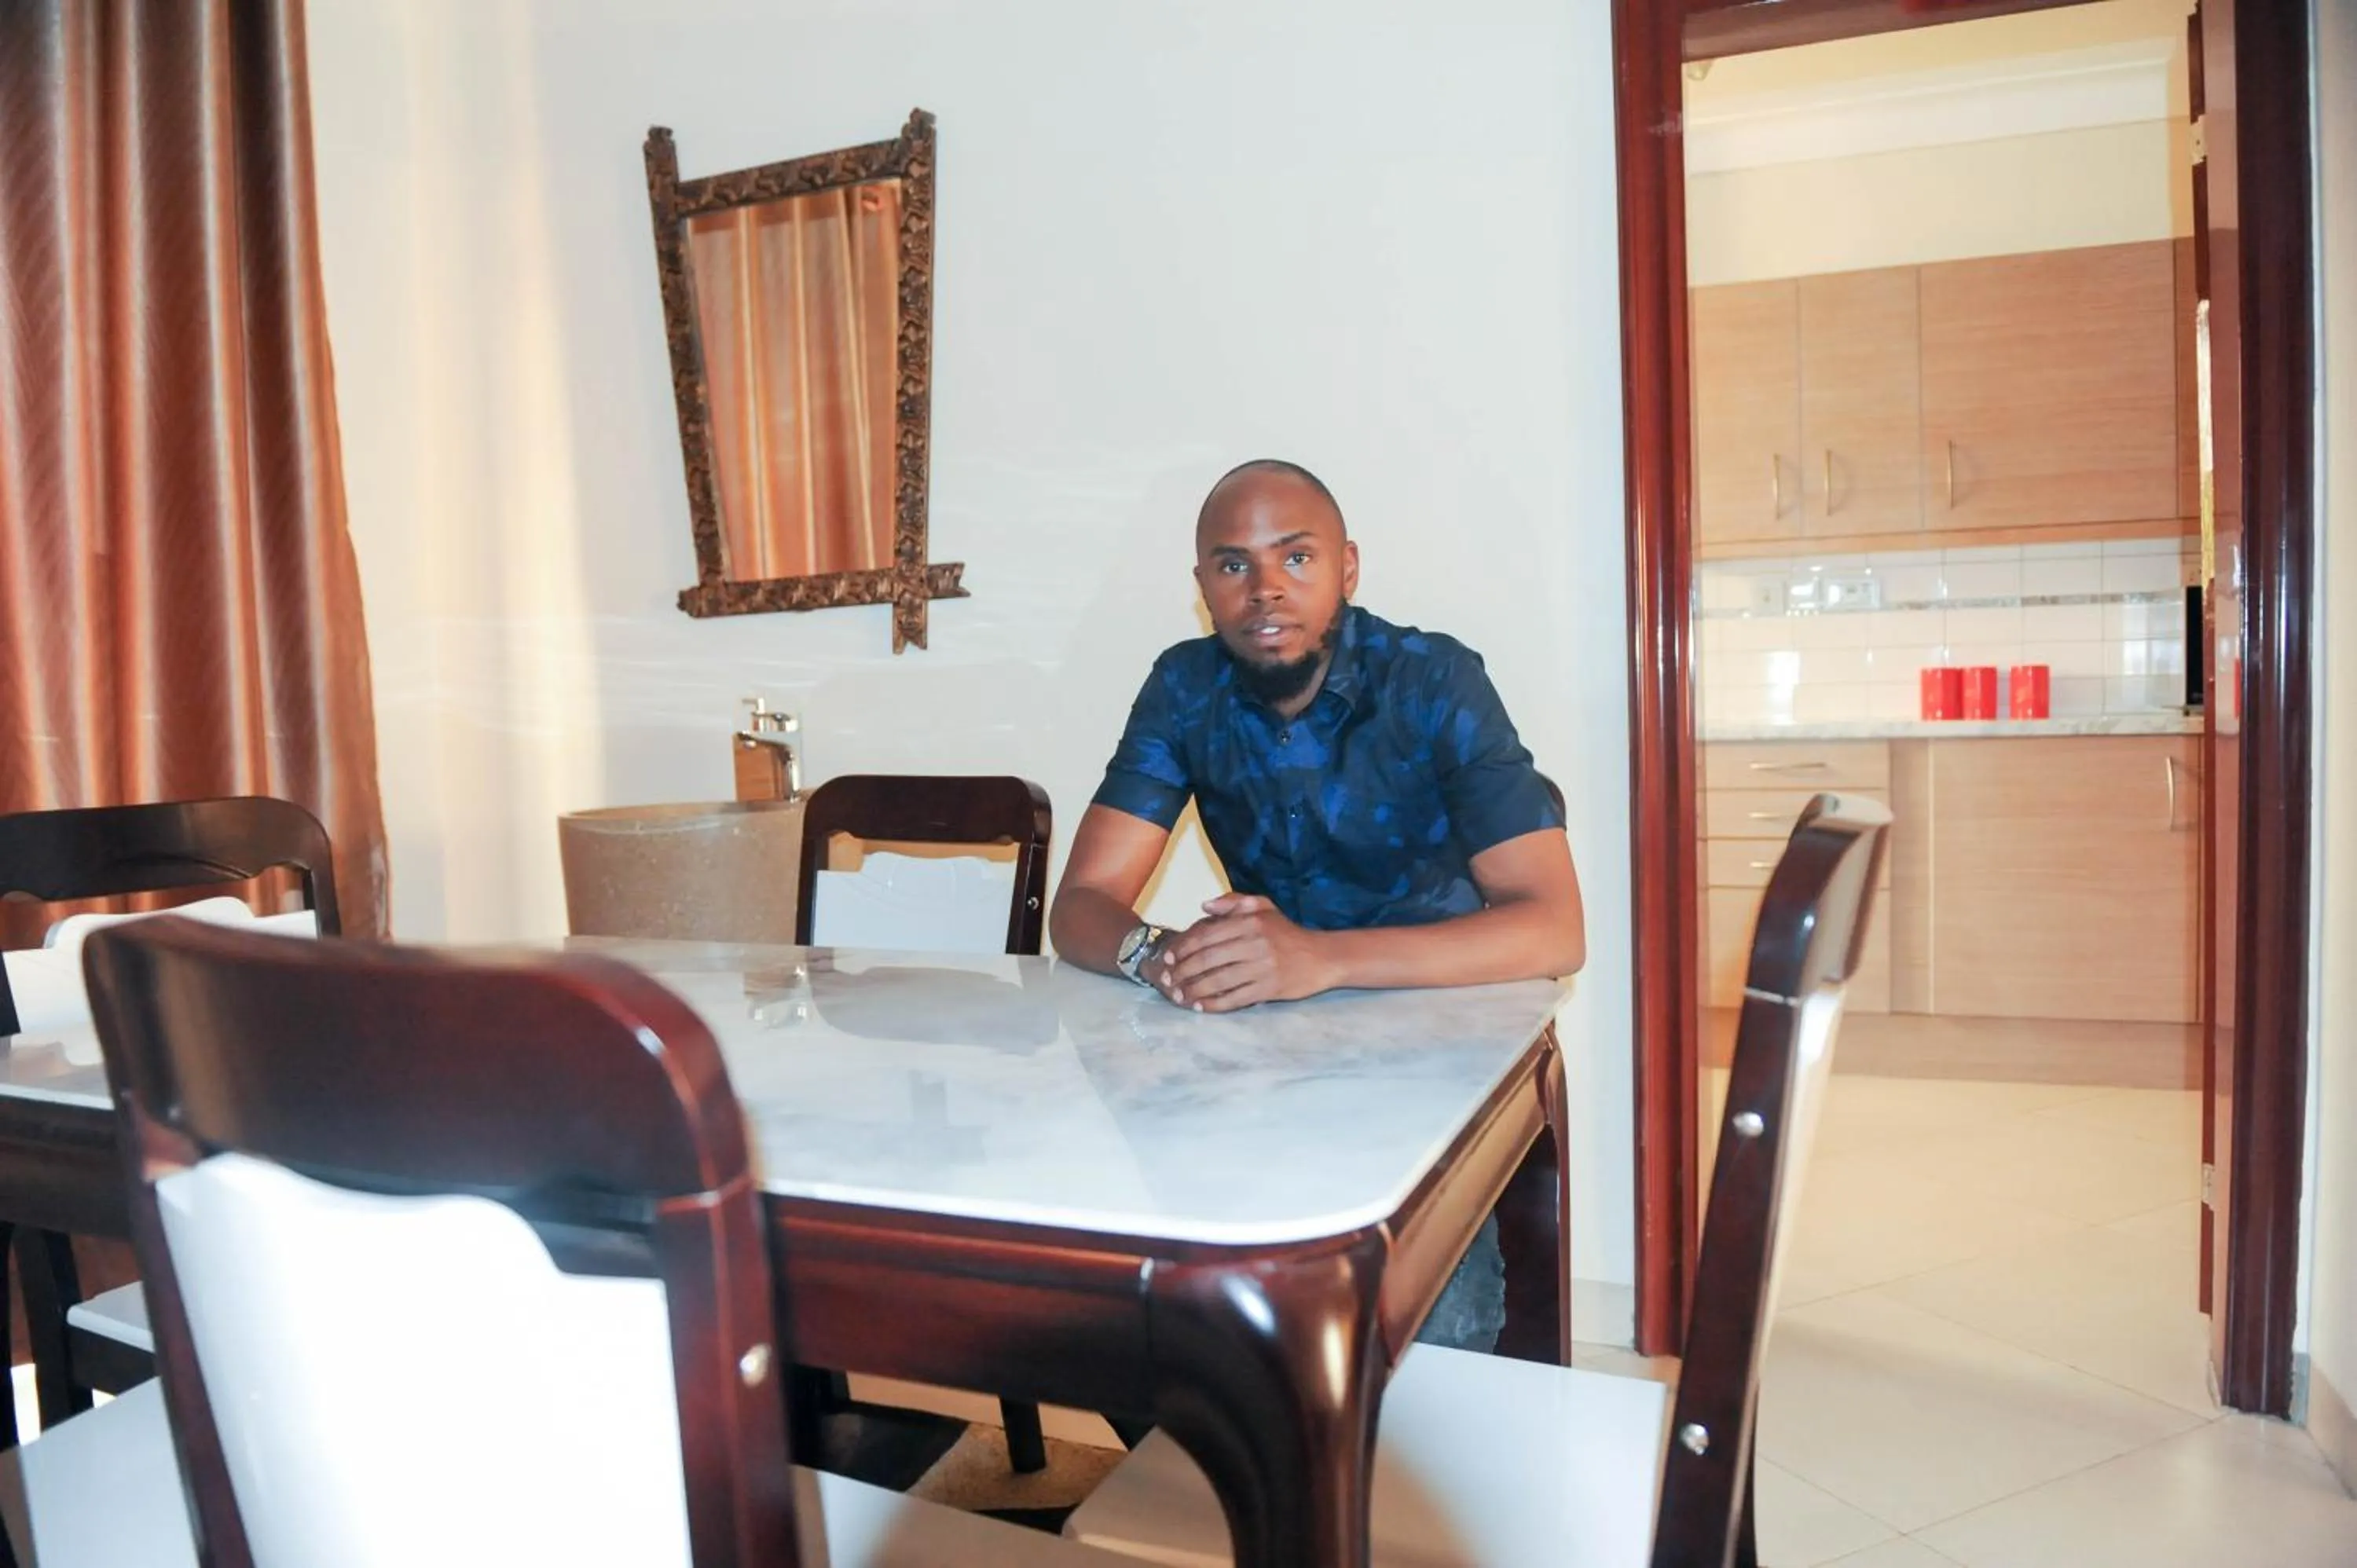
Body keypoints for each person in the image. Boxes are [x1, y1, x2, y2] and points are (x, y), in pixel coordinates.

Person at [1051, 457, 1585, 1353]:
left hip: (1443, 1050)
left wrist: (1322, 958)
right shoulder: (1186, 690)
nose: (1264, 589)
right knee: (1132, 1297)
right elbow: (1082, 904)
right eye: (1233, 565)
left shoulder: (1433, 681)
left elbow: (1554, 927)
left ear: (1348, 566)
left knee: (1428, 1337)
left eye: (1296, 558)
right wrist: (1158, 954)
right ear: (1203, 588)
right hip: (1267, 1065)